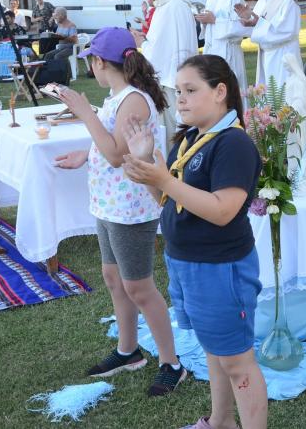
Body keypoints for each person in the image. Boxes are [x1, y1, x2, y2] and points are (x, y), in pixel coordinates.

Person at [122, 54, 268, 429]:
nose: (180, 99)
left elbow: (223, 210)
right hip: (185, 262)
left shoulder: (232, 144)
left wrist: (165, 179)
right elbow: (170, 202)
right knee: (216, 351)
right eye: (178, 91)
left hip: (220, 269)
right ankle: (221, 423)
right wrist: (150, 173)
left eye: (190, 90)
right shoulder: (190, 138)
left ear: (221, 92)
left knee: (237, 362)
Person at [52, 27, 186, 396]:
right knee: (112, 277)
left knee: (138, 287)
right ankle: (128, 351)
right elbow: (112, 147)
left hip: (132, 207)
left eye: (90, 62)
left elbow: (116, 153)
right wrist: (85, 154)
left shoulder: (134, 100)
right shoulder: (116, 97)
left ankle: (171, 363)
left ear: (99, 62)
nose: (90, 69)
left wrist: (82, 112)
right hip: (109, 202)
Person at [132, 0, 198, 148]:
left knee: (173, 141)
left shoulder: (173, 7)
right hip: (172, 82)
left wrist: (142, 43)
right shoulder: (168, 5)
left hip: (172, 86)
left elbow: (160, 54)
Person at [234, 0, 301, 87]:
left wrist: (257, 23)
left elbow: (287, 31)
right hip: (265, 56)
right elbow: (258, 28)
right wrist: (248, 22)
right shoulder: (261, 1)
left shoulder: (287, 1)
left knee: (282, 97)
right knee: (268, 97)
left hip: (282, 57)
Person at [196, 0, 250, 102]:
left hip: (229, 52)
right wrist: (204, 22)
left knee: (231, 93)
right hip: (212, 50)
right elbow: (209, 23)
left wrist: (215, 21)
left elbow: (243, 27)